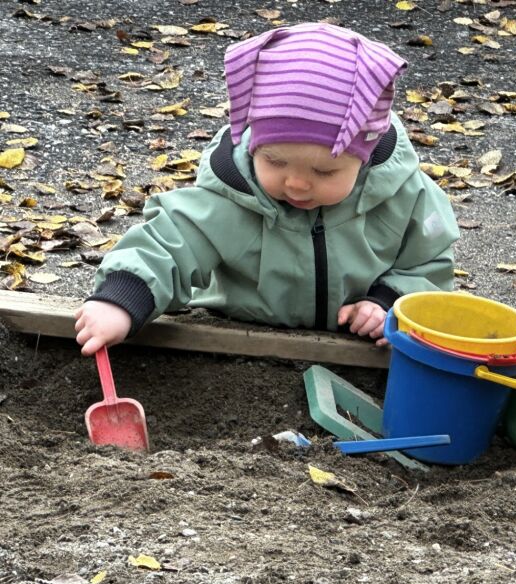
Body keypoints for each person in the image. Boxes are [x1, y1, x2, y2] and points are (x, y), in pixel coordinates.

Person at [74, 22, 458, 356]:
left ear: (365, 156)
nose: (296, 182)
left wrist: (387, 302)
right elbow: (168, 244)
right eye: (274, 162)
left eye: (325, 171)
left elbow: (428, 265)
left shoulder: (404, 199)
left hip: (357, 352)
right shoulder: (233, 198)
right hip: (236, 344)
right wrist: (121, 300)